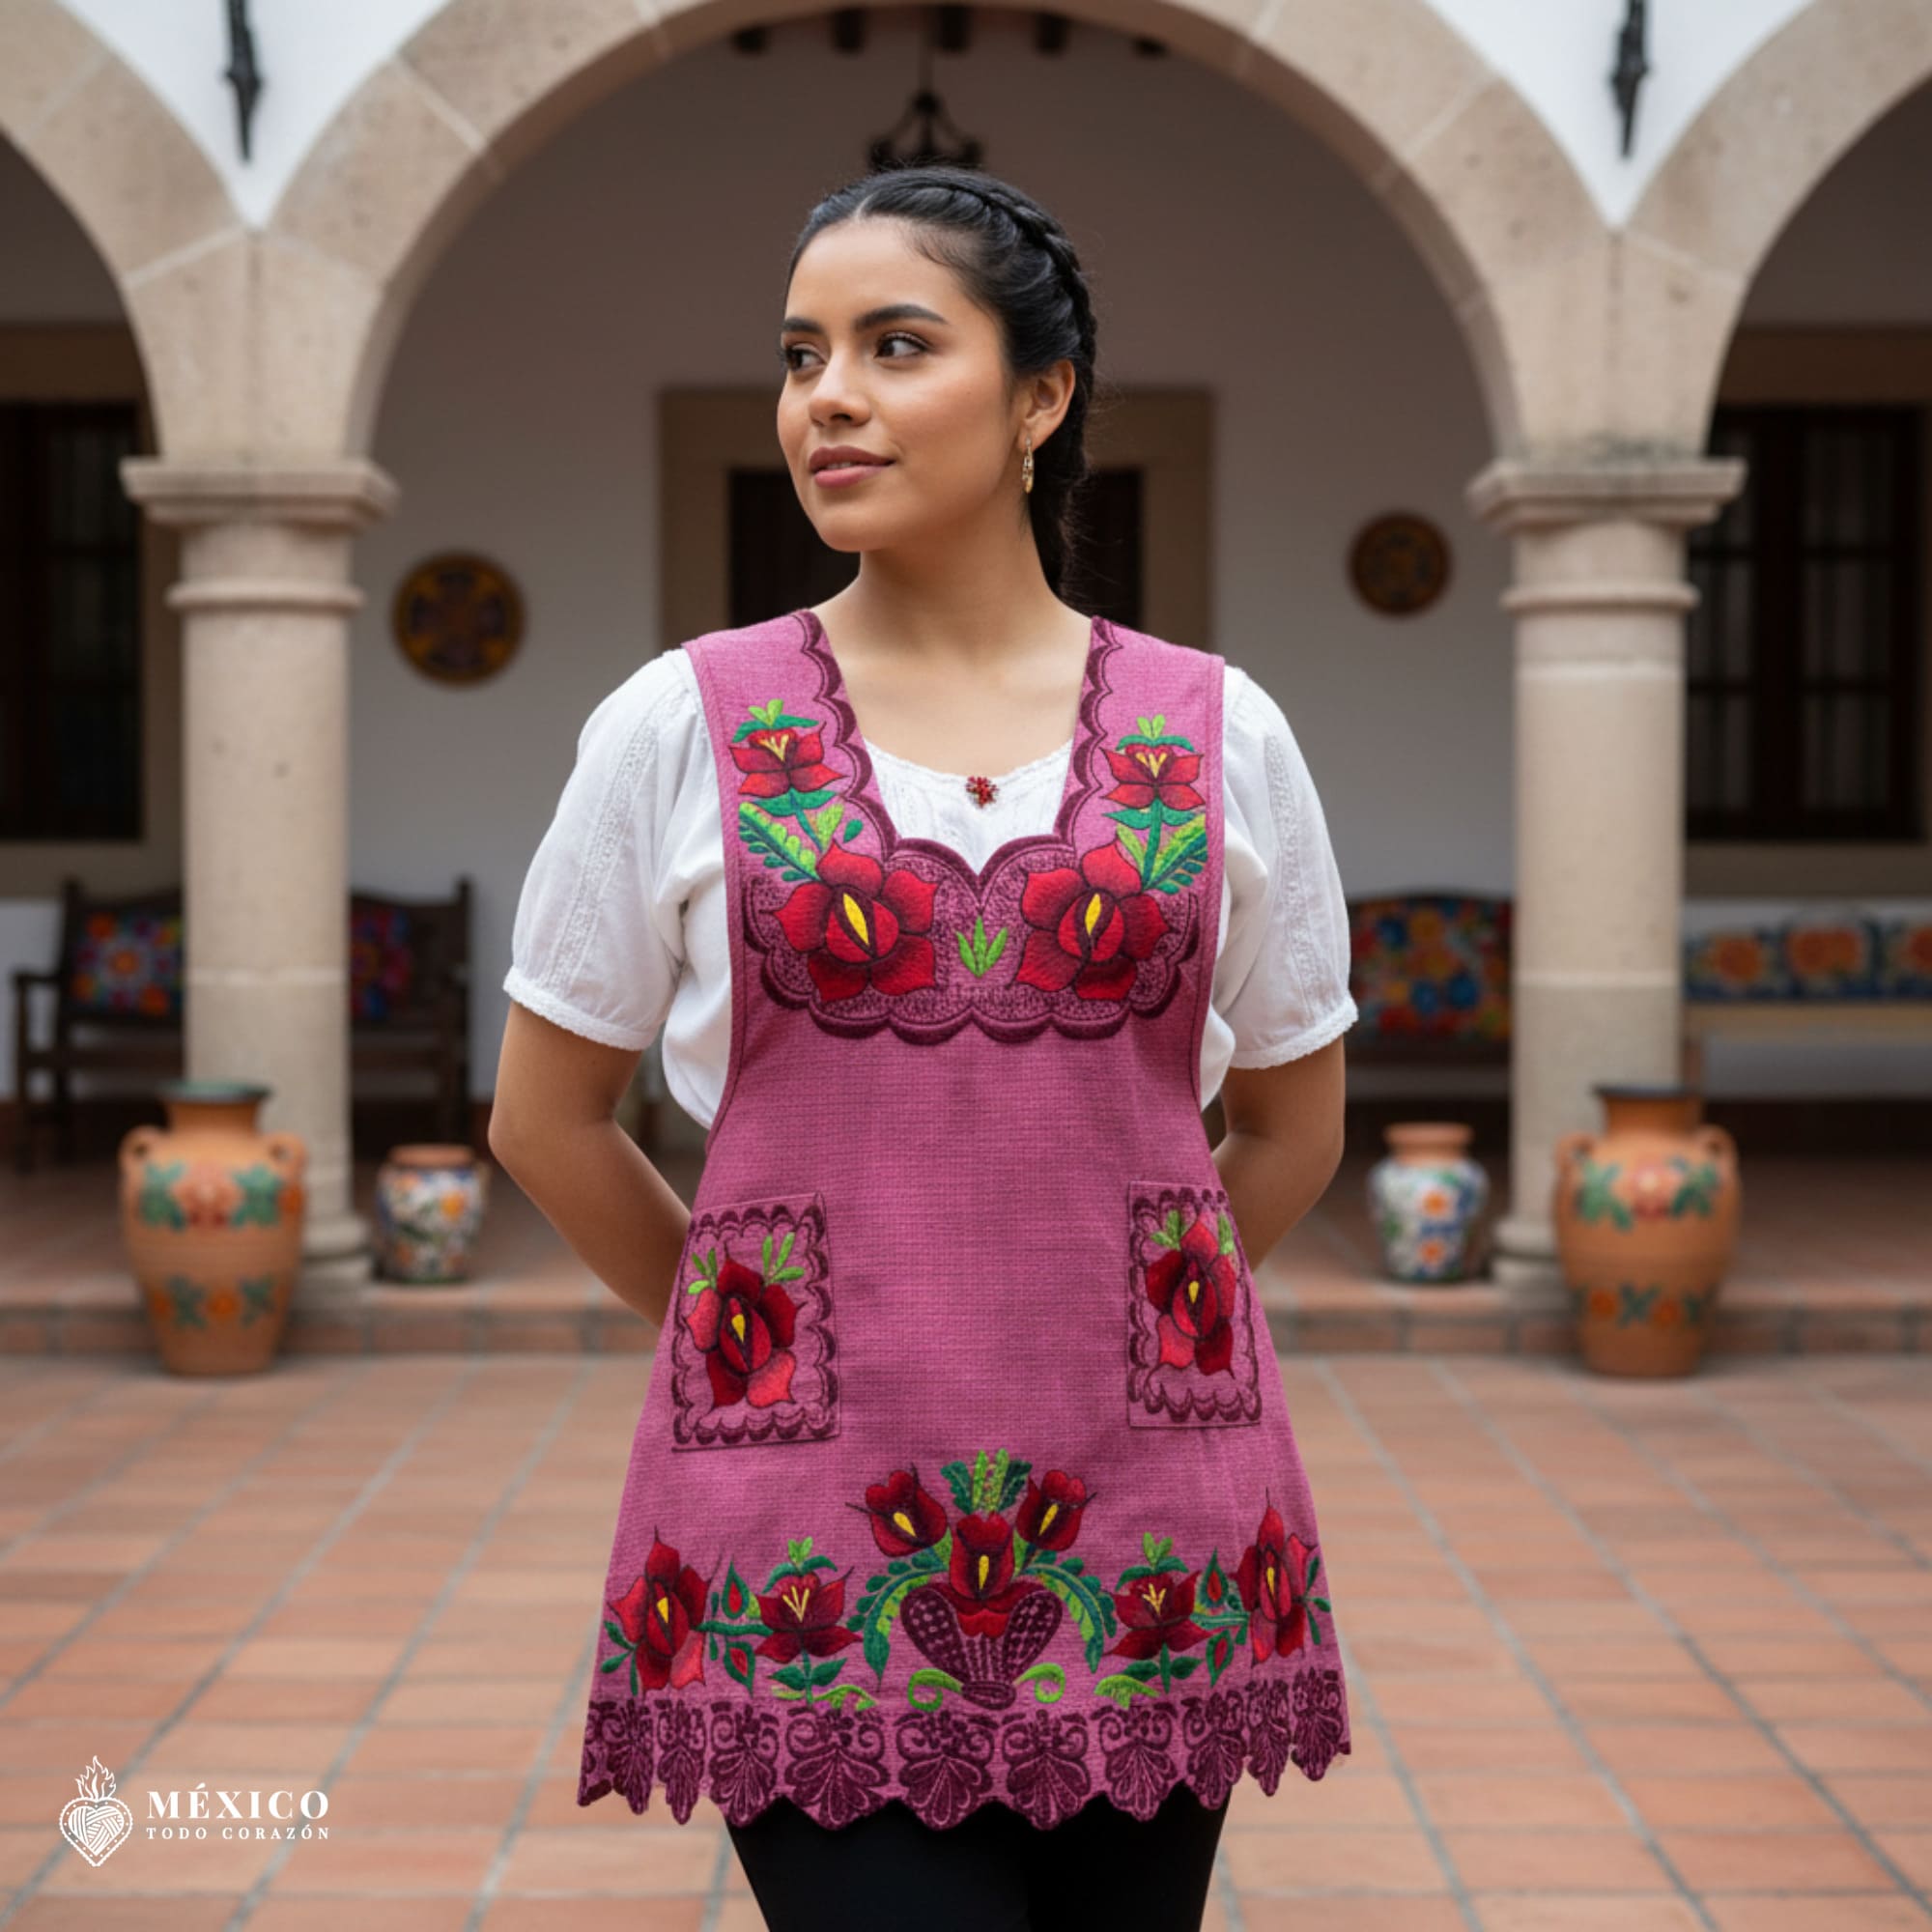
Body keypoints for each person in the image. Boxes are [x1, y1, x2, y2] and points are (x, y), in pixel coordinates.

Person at [490, 162, 1357, 1932]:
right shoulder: (680, 723)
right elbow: (548, 1119)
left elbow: (1291, 1123)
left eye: (895, 346)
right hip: (805, 1541)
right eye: (801, 355)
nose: (829, 396)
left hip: (1158, 1533)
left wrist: (1122, 1325)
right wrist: (751, 1347)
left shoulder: (1222, 732)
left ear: (1041, 399)